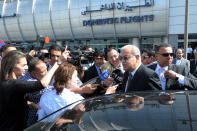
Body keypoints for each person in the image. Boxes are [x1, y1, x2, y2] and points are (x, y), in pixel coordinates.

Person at [0, 50, 59, 131]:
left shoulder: (6, 82)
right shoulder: (14, 84)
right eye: (23, 65)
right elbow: (43, 84)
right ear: (12, 66)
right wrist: (56, 65)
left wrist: (30, 104)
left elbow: (12, 101)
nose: (27, 68)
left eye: (26, 65)